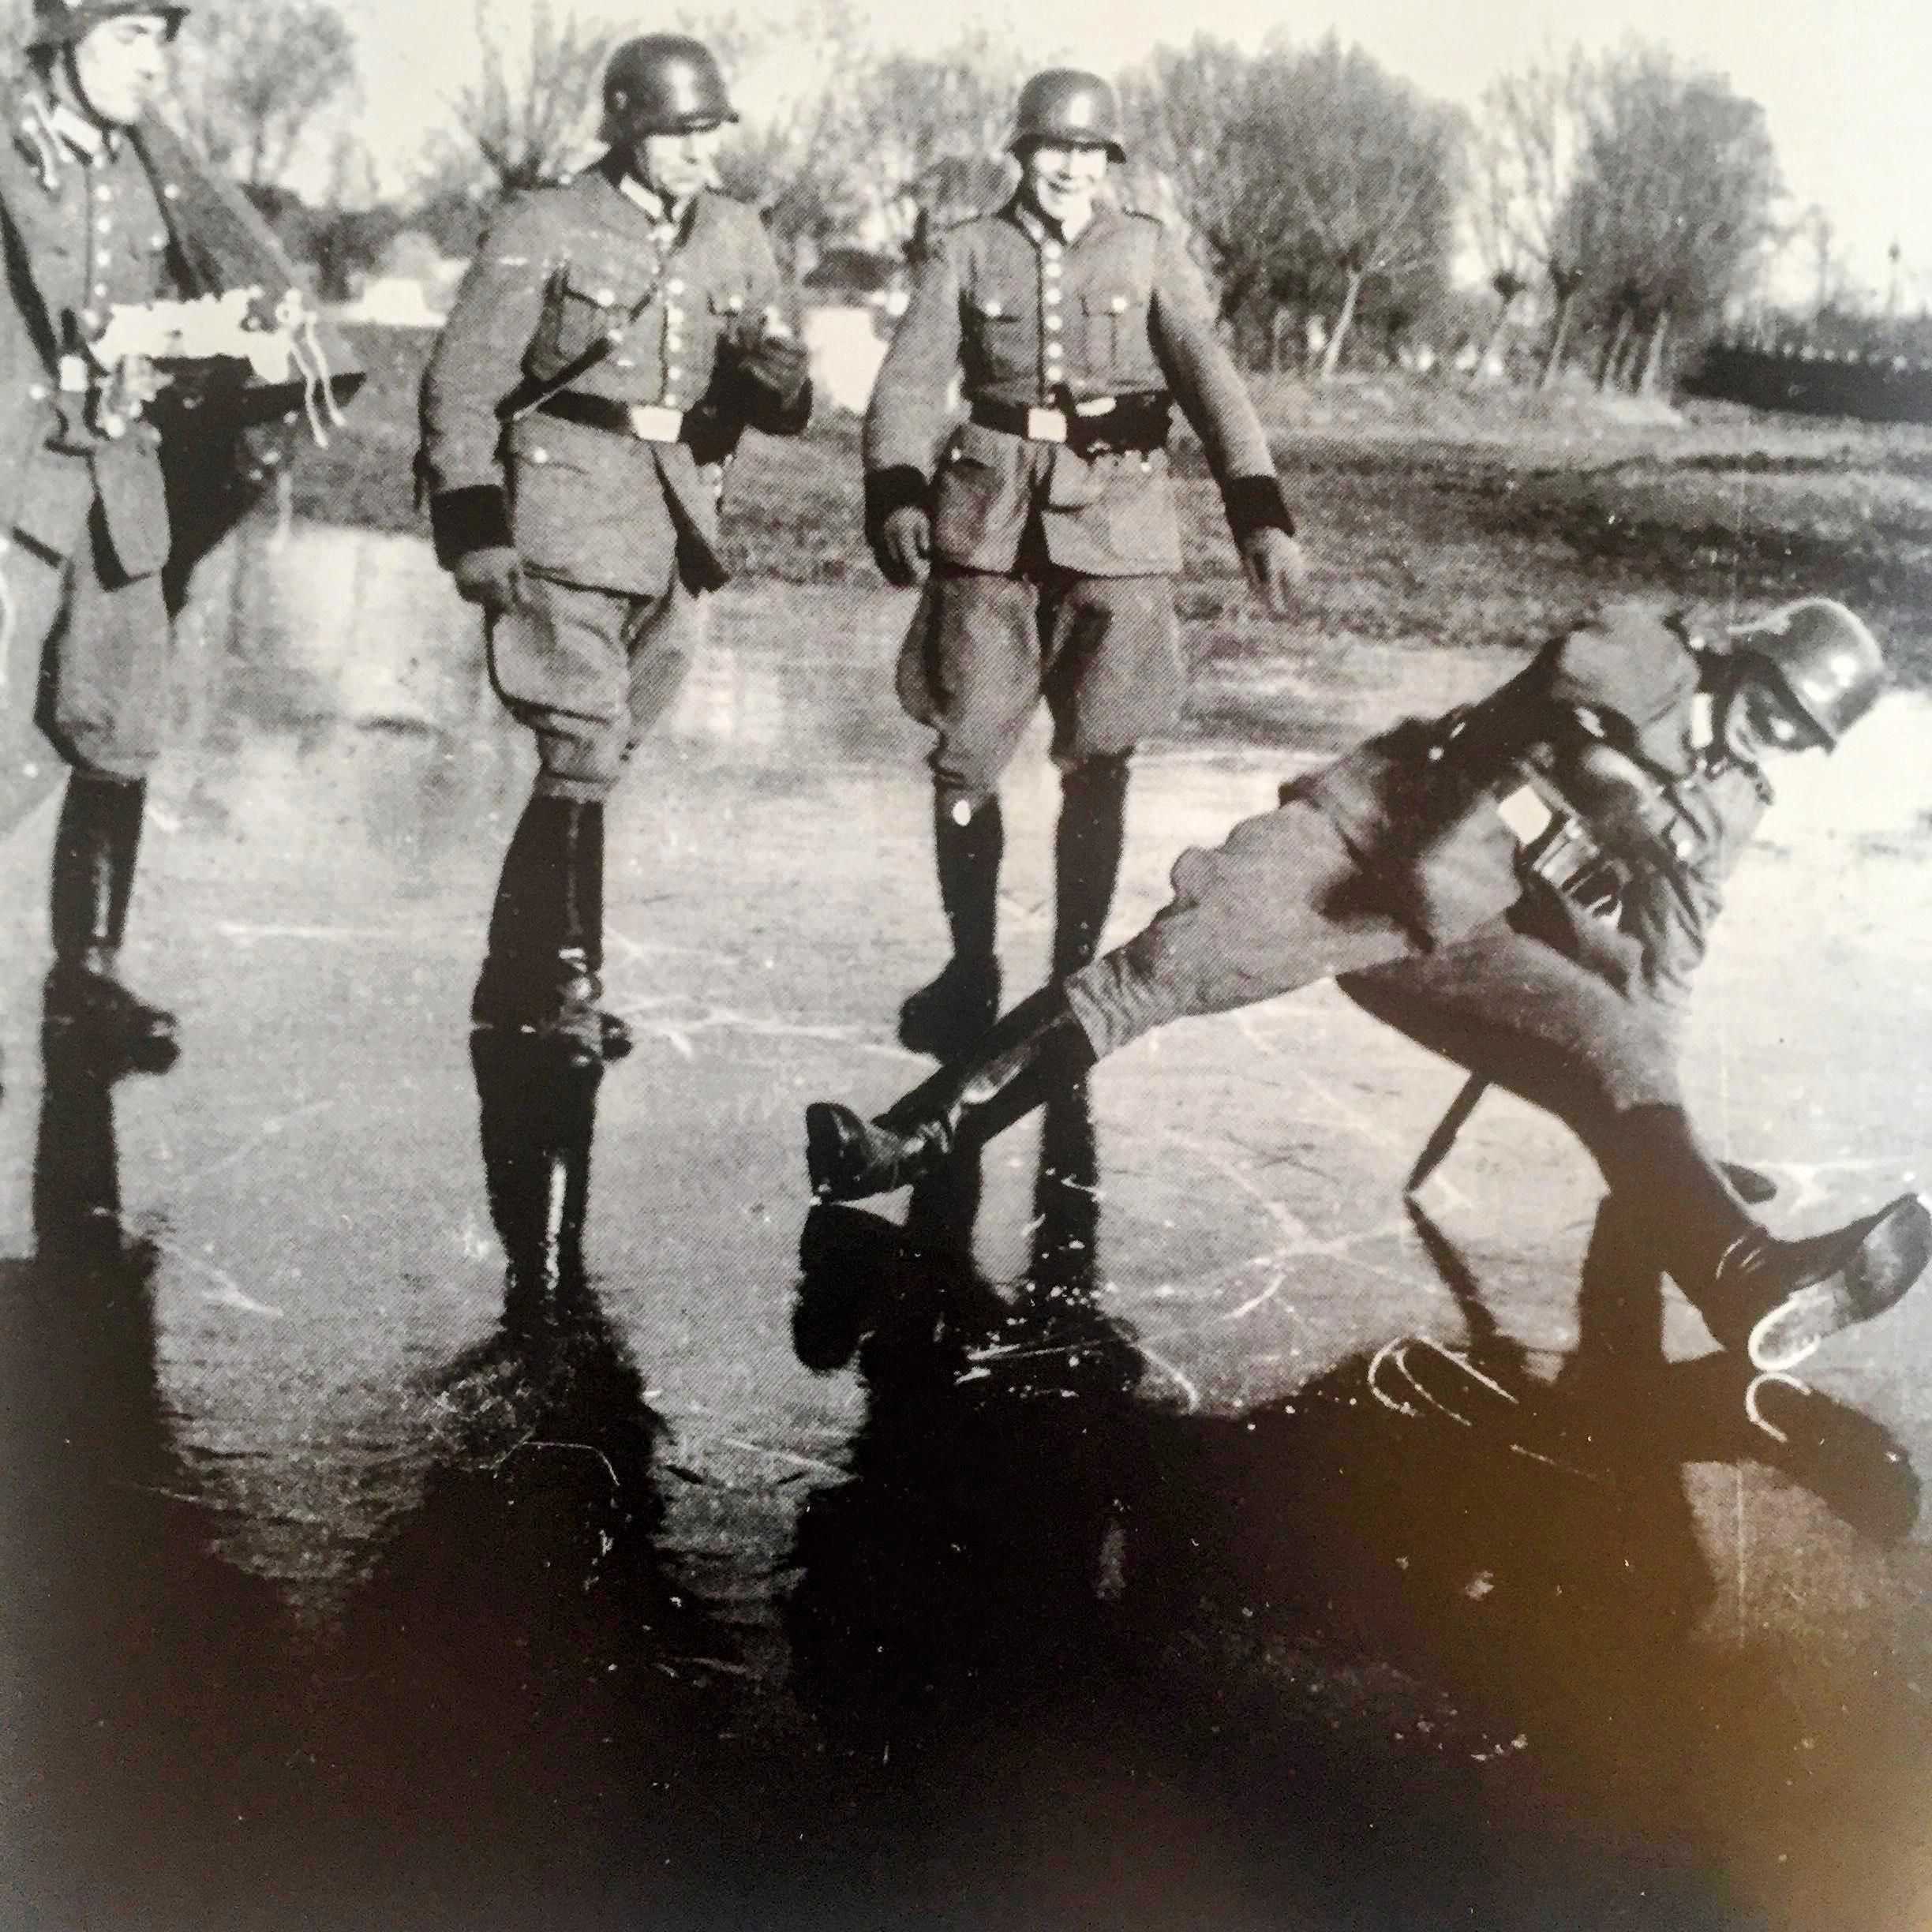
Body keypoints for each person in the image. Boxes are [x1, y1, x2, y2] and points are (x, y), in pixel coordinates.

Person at [807, 597, 1930, 1375]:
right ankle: (913, 1138)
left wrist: (1661, 1112)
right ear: (1749, 655)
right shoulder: (1656, 652)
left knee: (1622, 1052)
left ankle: (1749, 1283)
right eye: (1777, 696)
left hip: (1470, 932)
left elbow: (1665, 969)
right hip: (1364, 842)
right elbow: (1564, 698)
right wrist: (1628, 808)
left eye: (1800, 732)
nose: (1774, 728)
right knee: (1160, 971)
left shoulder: (1734, 807)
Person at [861, 67, 1305, 1059]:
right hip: (987, 529)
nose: (1068, 168)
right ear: (1019, 155)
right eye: (1050, 149)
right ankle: (970, 969)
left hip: (1120, 531)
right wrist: (895, 488)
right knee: (966, 757)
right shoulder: (967, 251)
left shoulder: (1149, 249)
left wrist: (1257, 507)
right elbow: (909, 382)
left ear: (1111, 162)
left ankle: (1071, 978)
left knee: (1102, 756)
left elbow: (1207, 375)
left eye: (1089, 152)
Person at [419, 33, 811, 1063]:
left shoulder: (736, 234)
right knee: (582, 744)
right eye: (677, 133)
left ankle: (517, 974)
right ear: (628, 127)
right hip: (561, 512)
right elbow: (463, 384)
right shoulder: (546, 223)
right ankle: (564, 985)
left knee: (599, 760)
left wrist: (778, 387)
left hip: (678, 525)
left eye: (709, 131)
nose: (697, 153)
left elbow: (778, 379)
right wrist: (473, 525)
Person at [1, 0, 348, 1065]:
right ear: (58, 44)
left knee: (120, 725)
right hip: (12, 479)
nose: (149, 64)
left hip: (118, 485)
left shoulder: (152, 164)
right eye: (124, 38)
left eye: (162, 41)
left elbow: (229, 281)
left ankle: (87, 979)